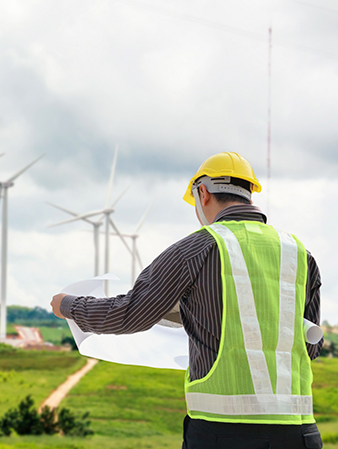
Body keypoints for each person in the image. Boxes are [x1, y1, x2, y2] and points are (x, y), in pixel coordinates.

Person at [50, 151, 323, 449]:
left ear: (202, 193)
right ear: (249, 193)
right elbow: (311, 346)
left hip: (223, 434)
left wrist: (68, 305)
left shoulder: (196, 249)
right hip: (300, 433)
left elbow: (129, 314)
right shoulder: (300, 254)